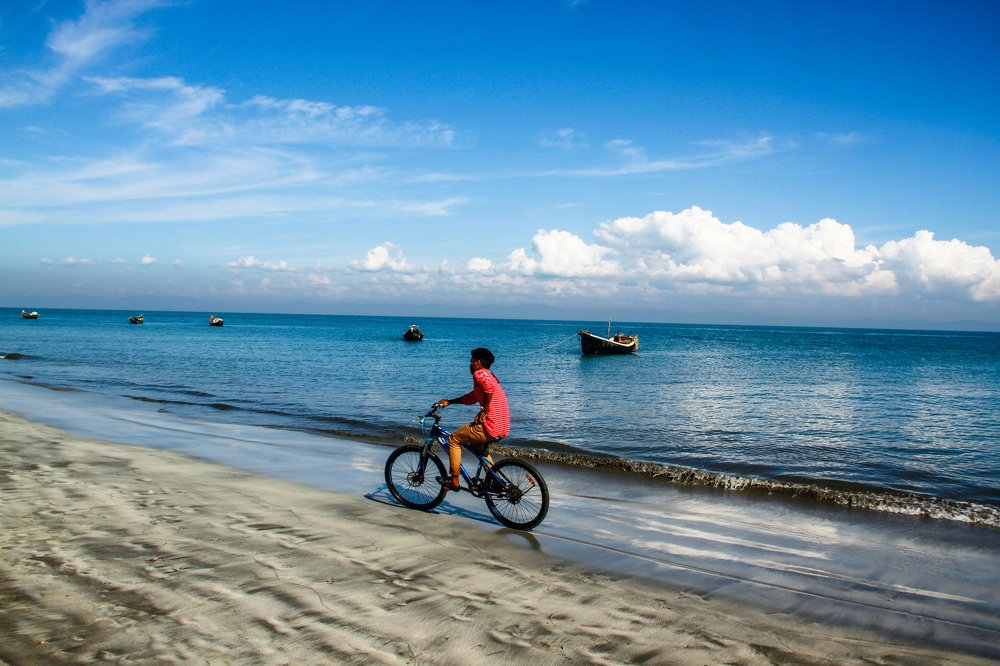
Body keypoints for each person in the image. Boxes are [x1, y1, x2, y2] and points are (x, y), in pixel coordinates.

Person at [435, 347, 510, 491]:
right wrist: (450, 401)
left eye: (470, 361)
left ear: (477, 362)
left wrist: (484, 410)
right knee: (479, 449)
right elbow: (472, 398)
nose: (469, 364)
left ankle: (454, 480)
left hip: (491, 425)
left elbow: (488, 389)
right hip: (503, 426)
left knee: (454, 439)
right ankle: (496, 481)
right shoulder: (490, 376)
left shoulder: (480, 374)